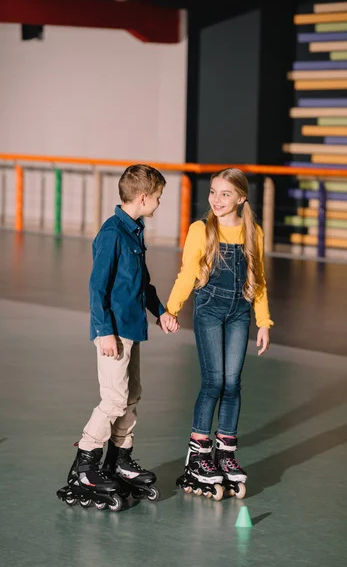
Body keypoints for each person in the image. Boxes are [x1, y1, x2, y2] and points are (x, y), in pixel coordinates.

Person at [58, 164, 179, 511]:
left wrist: (162, 312)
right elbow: (97, 289)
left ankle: (118, 460)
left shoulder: (134, 231)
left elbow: (143, 285)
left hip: (131, 328)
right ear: (142, 198)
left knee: (131, 396)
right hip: (113, 332)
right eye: (157, 198)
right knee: (112, 400)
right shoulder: (112, 234)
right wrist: (104, 331)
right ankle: (85, 465)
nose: (158, 204)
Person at [166, 167, 273, 500]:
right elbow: (187, 273)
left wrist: (264, 322)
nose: (216, 199)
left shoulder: (253, 232)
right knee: (213, 381)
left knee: (232, 382)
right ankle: (199, 453)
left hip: (240, 313)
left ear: (241, 198)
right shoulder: (201, 229)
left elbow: (259, 281)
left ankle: (225, 451)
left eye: (225, 194)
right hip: (209, 311)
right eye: (213, 192)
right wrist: (171, 308)